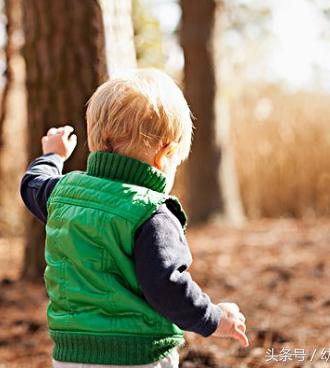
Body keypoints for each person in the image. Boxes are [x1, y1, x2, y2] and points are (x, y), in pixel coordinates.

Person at [20, 69, 249, 368]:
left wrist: (53, 156)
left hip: (71, 355)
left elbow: (31, 184)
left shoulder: (62, 194)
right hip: (139, 356)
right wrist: (216, 318)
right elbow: (168, 287)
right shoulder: (151, 214)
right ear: (165, 155)